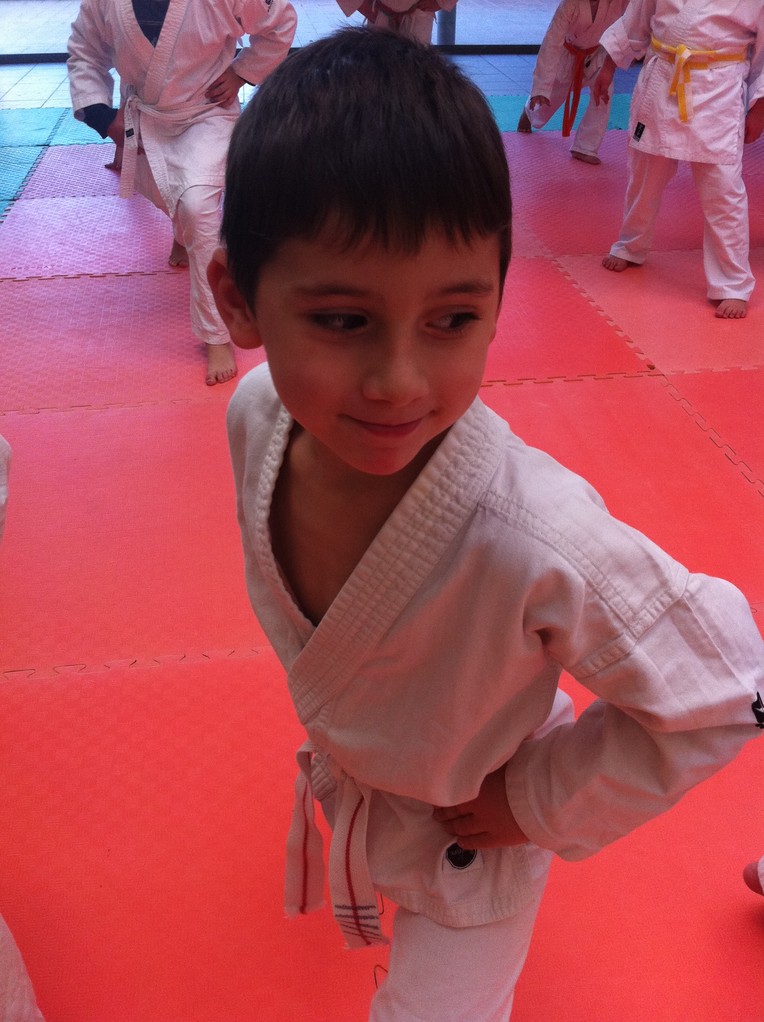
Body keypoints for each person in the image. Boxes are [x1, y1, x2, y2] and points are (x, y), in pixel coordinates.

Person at [209, 28, 764, 1021]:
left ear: (500, 304)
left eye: (452, 319)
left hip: (476, 831)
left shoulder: (530, 531)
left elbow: (724, 687)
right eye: (342, 320)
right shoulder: (256, 415)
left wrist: (537, 798)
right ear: (237, 301)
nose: (397, 381)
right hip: (381, 779)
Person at [67, 0, 297, 385]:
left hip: (207, 111)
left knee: (197, 205)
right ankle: (181, 232)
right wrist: (102, 117)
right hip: (147, 116)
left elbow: (279, 23)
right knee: (168, 193)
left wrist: (242, 72)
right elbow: (84, 51)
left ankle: (215, 335)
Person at [592, 0, 764, 319]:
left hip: (717, 91)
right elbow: (636, 20)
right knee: (644, 175)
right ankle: (631, 244)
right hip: (661, 81)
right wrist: (608, 66)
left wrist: (760, 109)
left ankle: (732, 283)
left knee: (723, 191)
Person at [517, 0, 629, 164]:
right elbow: (551, 43)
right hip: (567, 54)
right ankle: (529, 112)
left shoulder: (619, 2)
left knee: (604, 93)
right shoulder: (570, 4)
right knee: (549, 99)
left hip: (598, 54)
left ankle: (585, 147)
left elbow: (631, 22)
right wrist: (540, 88)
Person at [335, 0, 457, 44]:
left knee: (416, 67)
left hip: (418, 14)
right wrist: (362, 6)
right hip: (380, 12)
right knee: (379, 65)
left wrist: (438, 2)